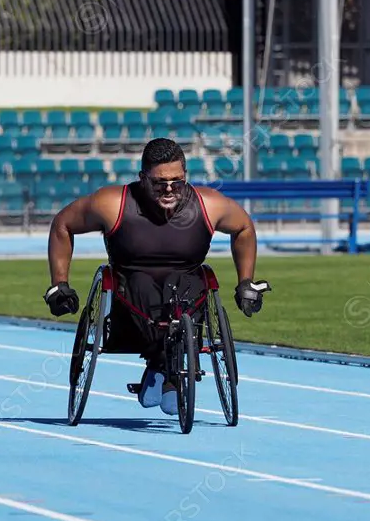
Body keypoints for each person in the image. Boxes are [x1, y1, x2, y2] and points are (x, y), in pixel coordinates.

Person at [44, 138, 270, 413]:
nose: (169, 189)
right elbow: (63, 224)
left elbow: (244, 227)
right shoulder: (112, 203)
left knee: (187, 286)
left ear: (185, 175)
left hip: (187, 281)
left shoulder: (208, 204)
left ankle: (165, 369)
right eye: (159, 182)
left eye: (177, 181)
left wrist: (246, 282)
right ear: (142, 178)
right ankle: (166, 371)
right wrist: (59, 284)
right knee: (142, 284)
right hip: (132, 285)